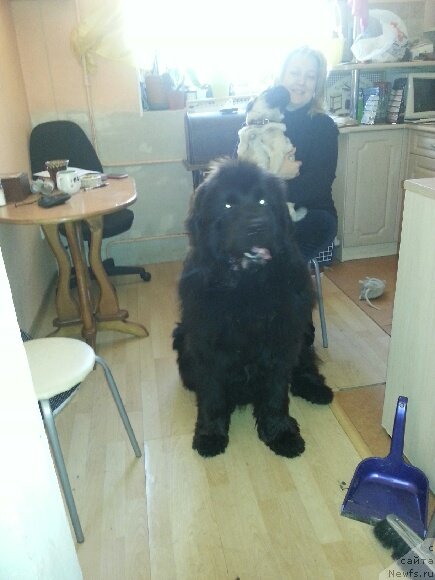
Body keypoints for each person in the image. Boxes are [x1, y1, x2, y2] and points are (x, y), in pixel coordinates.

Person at [277, 45, 338, 262]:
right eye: (295, 73)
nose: (301, 82)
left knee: (278, 254)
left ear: (317, 84)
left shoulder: (323, 126)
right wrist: (278, 174)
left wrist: (267, 187)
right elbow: (239, 170)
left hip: (312, 212)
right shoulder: (261, 117)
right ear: (282, 76)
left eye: (310, 76)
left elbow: (317, 186)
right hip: (265, 210)